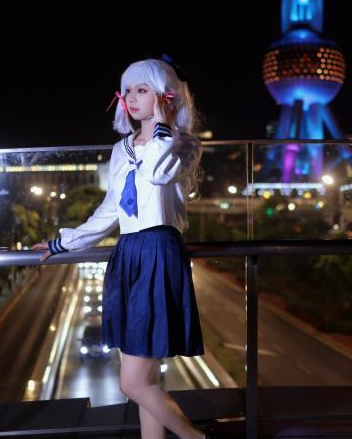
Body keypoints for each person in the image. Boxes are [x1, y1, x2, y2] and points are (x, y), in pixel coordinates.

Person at [34, 58, 211, 439]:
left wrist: (161, 126)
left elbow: (156, 173)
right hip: (129, 253)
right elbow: (110, 210)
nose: (130, 98)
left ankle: (195, 437)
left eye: (142, 90)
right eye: (127, 90)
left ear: (164, 97)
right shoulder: (121, 149)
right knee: (146, 380)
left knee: (132, 384)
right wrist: (64, 242)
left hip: (159, 251)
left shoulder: (182, 144)